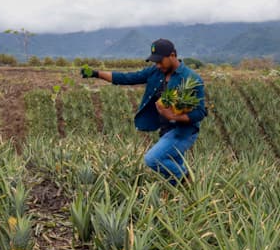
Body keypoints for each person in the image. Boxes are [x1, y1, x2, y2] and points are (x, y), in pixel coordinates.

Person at [81, 38, 206, 186]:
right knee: (173, 170)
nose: (157, 65)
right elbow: (127, 78)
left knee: (153, 159)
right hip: (166, 129)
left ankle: (188, 179)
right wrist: (95, 73)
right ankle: (185, 194)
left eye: (160, 61)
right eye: (155, 62)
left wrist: (173, 116)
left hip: (183, 132)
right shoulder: (156, 72)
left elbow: (199, 113)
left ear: (172, 55)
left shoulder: (191, 78)